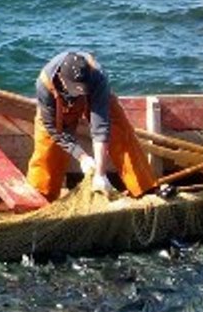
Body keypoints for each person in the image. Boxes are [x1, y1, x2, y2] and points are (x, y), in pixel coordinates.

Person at [26, 51, 156, 202]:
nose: (78, 93)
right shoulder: (45, 83)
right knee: (48, 146)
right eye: (75, 90)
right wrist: (82, 157)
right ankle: (42, 197)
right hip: (59, 103)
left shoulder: (97, 76)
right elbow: (53, 129)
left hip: (95, 94)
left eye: (81, 89)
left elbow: (100, 126)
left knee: (119, 132)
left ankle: (144, 190)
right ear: (61, 79)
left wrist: (100, 173)